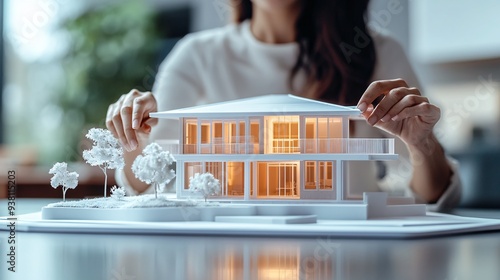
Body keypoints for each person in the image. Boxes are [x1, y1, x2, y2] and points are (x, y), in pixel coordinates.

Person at [106, 0, 461, 211]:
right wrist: (133, 134)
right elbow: (144, 183)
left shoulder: (379, 52)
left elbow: (433, 199)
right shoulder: (196, 55)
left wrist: (421, 143)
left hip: (352, 256)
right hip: (220, 250)